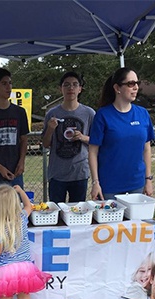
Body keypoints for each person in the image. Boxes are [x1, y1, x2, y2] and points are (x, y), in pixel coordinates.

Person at [89, 67, 155, 200]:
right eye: (131, 84)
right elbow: (92, 152)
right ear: (117, 88)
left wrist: (148, 179)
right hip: (110, 186)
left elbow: (146, 149)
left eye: (137, 83)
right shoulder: (103, 115)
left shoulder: (143, 114)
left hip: (137, 184)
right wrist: (96, 183)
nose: (135, 87)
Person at [42, 71, 95, 203]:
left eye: (74, 85)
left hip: (80, 172)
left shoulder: (89, 113)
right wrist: (50, 129)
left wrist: (82, 137)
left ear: (80, 89)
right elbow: (45, 143)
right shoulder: (52, 113)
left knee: (77, 213)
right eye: (66, 85)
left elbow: (96, 142)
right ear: (61, 89)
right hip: (57, 174)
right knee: (56, 212)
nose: (70, 88)